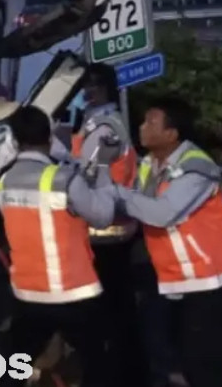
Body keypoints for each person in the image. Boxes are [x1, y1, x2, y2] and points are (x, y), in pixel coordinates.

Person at [113, 96, 222, 387]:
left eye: (151, 122)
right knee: (166, 347)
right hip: (174, 277)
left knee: (206, 364)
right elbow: (138, 204)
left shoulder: (196, 168)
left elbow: (162, 213)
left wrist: (116, 194)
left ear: (171, 134)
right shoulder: (149, 164)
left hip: (207, 280)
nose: (142, 127)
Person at [0, 106, 117, 387]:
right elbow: (102, 216)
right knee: (98, 365)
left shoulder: (3, 184)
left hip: (29, 294)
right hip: (74, 292)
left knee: (14, 367)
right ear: (50, 139)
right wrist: (102, 173)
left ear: (14, 141)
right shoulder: (65, 179)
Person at [68, 64, 150, 385]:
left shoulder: (105, 126)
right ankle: (127, 373)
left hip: (108, 234)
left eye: (95, 85)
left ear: (107, 89)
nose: (88, 91)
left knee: (112, 314)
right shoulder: (95, 122)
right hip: (109, 230)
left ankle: (121, 375)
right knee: (117, 311)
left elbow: (85, 174)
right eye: (85, 85)